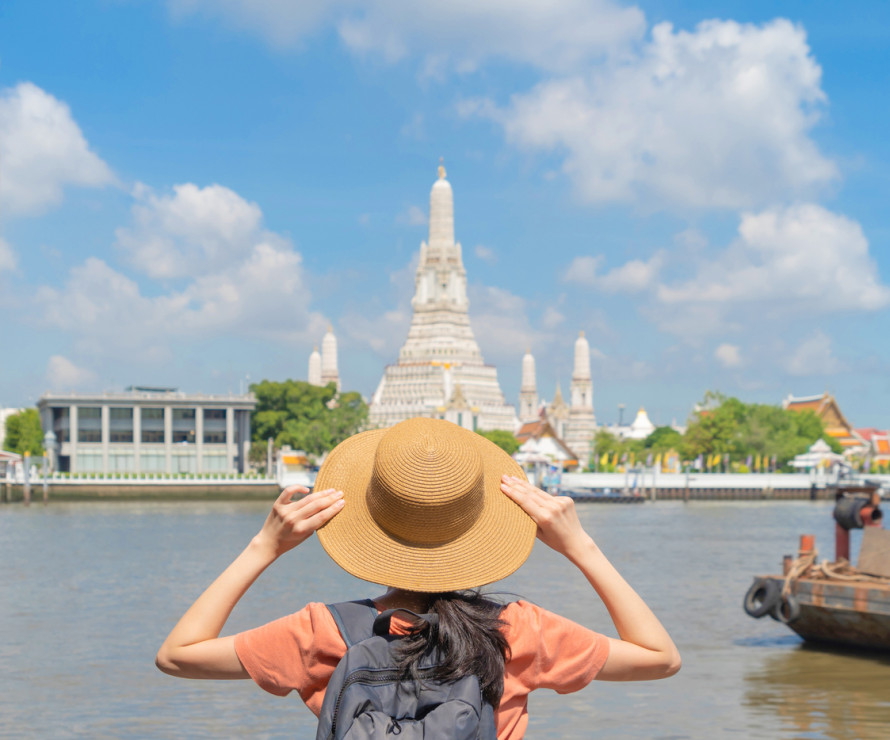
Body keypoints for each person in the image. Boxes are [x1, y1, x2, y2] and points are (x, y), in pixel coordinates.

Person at [157, 417, 680, 738]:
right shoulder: (516, 632)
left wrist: (263, 547)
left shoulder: (323, 633)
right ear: (478, 527)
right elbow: (661, 659)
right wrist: (580, 546)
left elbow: (177, 655)